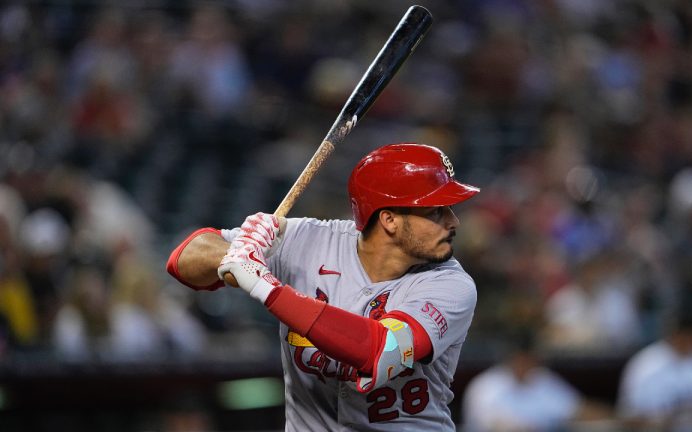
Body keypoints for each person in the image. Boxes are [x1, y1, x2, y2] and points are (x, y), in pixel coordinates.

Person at [166, 143, 480, 430]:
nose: (453, 221)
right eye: (436, 210)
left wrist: (265, 286)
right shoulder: (309, 241)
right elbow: (181, 262)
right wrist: (239, 251)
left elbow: (380, 351)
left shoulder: (451, 285)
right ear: (390, 220)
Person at [462, 328, 613, 432]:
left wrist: (617, 417)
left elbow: (579, 410)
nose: (527, 363)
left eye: (531, 357)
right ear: (511, 356)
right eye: (522, 357)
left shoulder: (543, 379)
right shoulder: (485, 386)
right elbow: (494, 425)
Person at [616, 311, 692, 431]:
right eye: (685, 338)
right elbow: (628, 417)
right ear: (674, 335)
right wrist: (665, 419)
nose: (690, 344)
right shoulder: (646, 364)